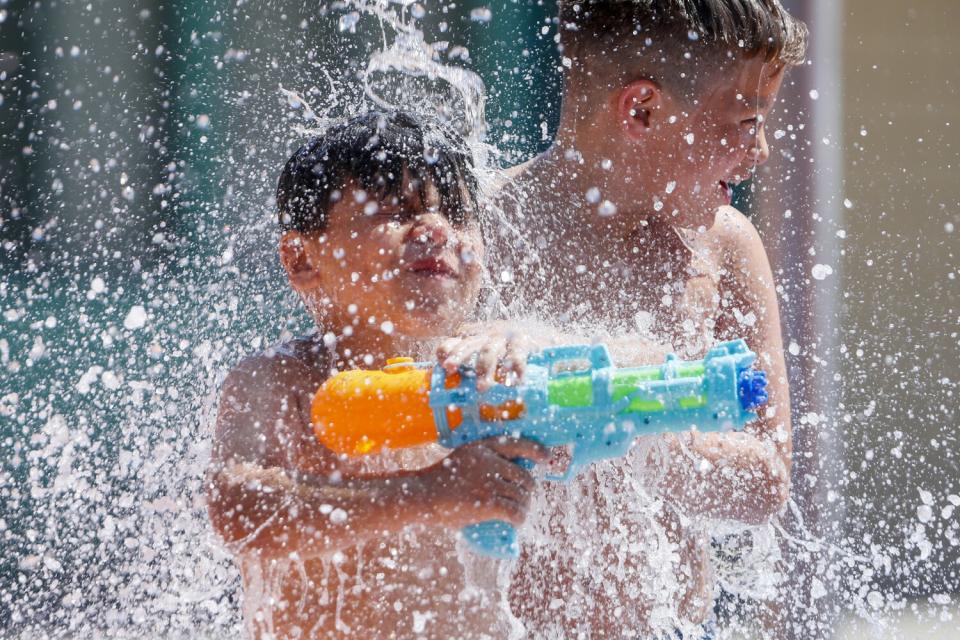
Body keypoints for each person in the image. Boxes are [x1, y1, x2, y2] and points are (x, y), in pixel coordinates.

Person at [439, 0, 808, 636]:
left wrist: (646, 416)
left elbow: (767, 482)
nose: (761, 151)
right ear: (641, 110)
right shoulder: (476, 234)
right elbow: (406, 418)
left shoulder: (725, 246)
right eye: (747, 121)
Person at [206, 110, 548, 639]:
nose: (436, 229)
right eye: (396, 210)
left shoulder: (490, 364)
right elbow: (238, 507)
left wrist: (534, 357)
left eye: (456, 213)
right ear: (301, 258)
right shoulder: (283, 383)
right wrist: (426, 494)